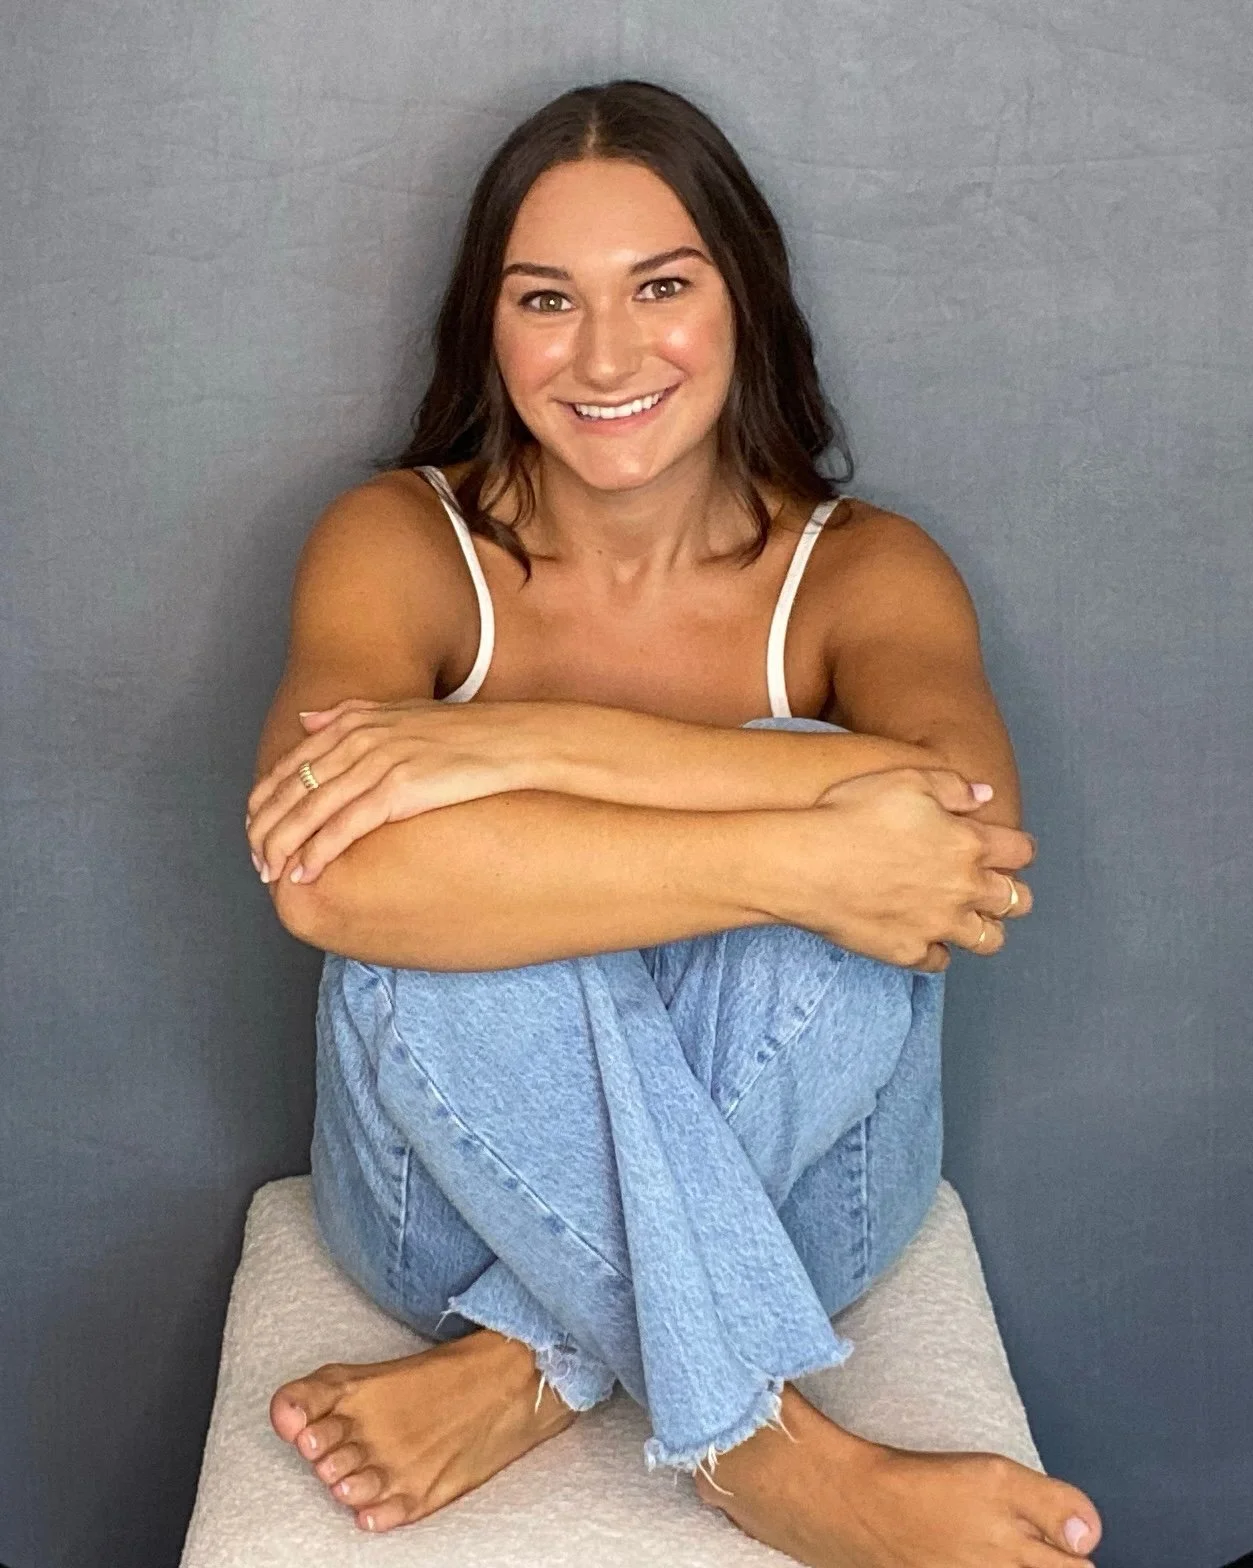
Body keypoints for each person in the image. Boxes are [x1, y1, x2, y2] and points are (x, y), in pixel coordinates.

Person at [244, 78, 1102, 1568]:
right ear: (488, 327)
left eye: (661, 287)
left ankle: (522, 1367)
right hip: (446, 1214)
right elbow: (325, 880)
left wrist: (519, 744)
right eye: (546, 299)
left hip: (801, 1200)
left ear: (744, 301)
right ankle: (769, 1453)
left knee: (813, 835)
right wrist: (792, 850)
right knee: (458, 898)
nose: (607, 355)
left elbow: (967, 850)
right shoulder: (395, 539)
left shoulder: (866, 571)